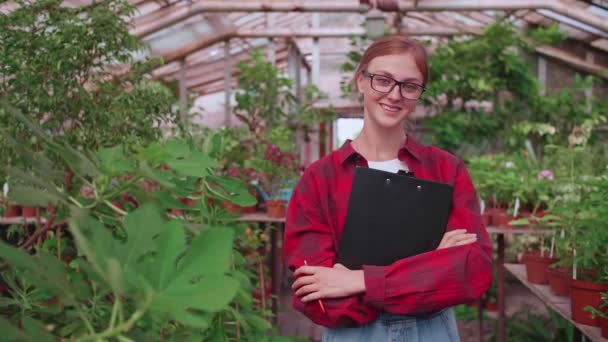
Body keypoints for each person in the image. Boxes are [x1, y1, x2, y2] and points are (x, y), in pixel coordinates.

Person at [283, 35, 493, 341]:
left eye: (409, 86)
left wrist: (358, 280)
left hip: (431, 332)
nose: (394, 95)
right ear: (361, 81)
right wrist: (430, 261)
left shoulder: (446, 170)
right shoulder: (320, 179)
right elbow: (319, 299)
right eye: (383, 80)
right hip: (354, 334)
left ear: (419, 93)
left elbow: (473, 271)